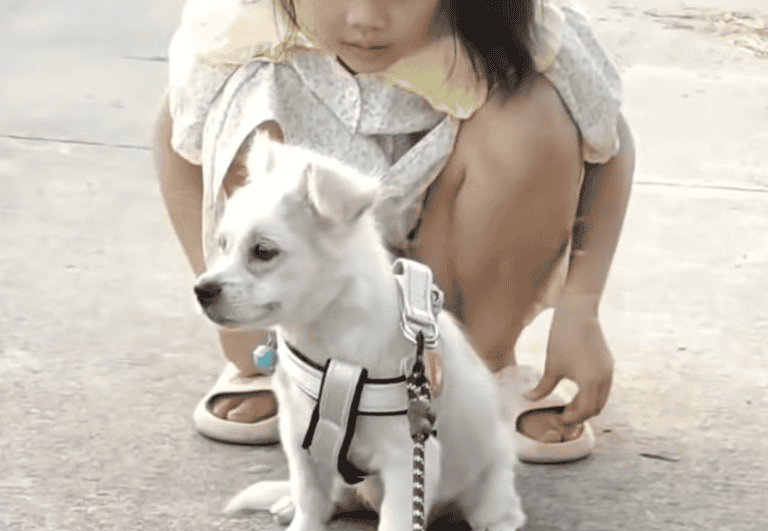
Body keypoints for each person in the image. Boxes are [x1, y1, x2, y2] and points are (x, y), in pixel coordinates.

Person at [152, 0, 634, 462]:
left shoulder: (528, 34)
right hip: (305, 284)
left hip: (446, 264)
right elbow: (175, 134)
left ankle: (477, 368)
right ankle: (278, 364)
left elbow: (608, 141)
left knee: (537, 111)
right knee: (238, 99)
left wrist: (581, 309)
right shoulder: (242, 29)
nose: (366, 18)